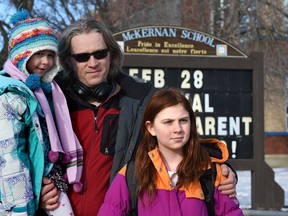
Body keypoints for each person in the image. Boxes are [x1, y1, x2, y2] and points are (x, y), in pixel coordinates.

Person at [40, 19, 238, 215]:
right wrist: (37, 191)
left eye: (100, 54)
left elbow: (178, 137)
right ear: (67, 61)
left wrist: (222, 168)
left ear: (112, 54)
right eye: (82, 57)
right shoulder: (47, 99)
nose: (93, 63)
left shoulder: (140, 97)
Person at [98, 88, 243, 216]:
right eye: (168, 122)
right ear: (151, 128)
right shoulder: (132, 174)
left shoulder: (212, 173)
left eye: (183, 120)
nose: (178, 129)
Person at [0, 9, 83, 216]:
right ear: (21, 55)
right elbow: (10, 156)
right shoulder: (11, 95)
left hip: (51, 177)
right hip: (26, 190)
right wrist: (27, 203)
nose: (45, 62)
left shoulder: (48, 91)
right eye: (38, 54)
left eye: (50, 55)